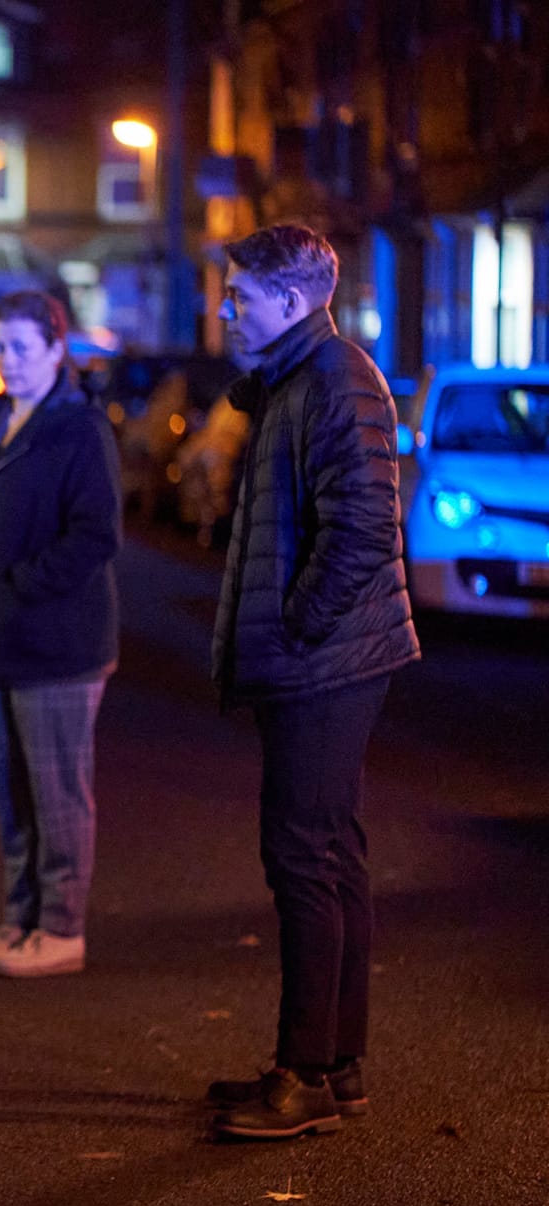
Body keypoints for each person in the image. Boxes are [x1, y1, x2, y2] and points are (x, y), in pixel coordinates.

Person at [205, 224, 419, 1141]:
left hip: (327, 662)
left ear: (293, 303)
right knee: (330, 855)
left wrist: (297, 624)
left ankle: (305, 1078)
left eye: (240, 297)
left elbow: (366, 528)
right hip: (325, 658)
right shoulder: (301, 379)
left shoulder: (337, 379)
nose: (223, 309)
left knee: (305, 858)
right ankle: (336, 1065)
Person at [0, 289, 120, 980]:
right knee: (10, 793)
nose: (7, 360)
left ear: (55, 350)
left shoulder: (78, 428)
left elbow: (96, 534)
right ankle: (21, 921)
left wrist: (19, 589)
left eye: (21, 347)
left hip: (58, 649)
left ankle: (61, 928)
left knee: (57, 792)